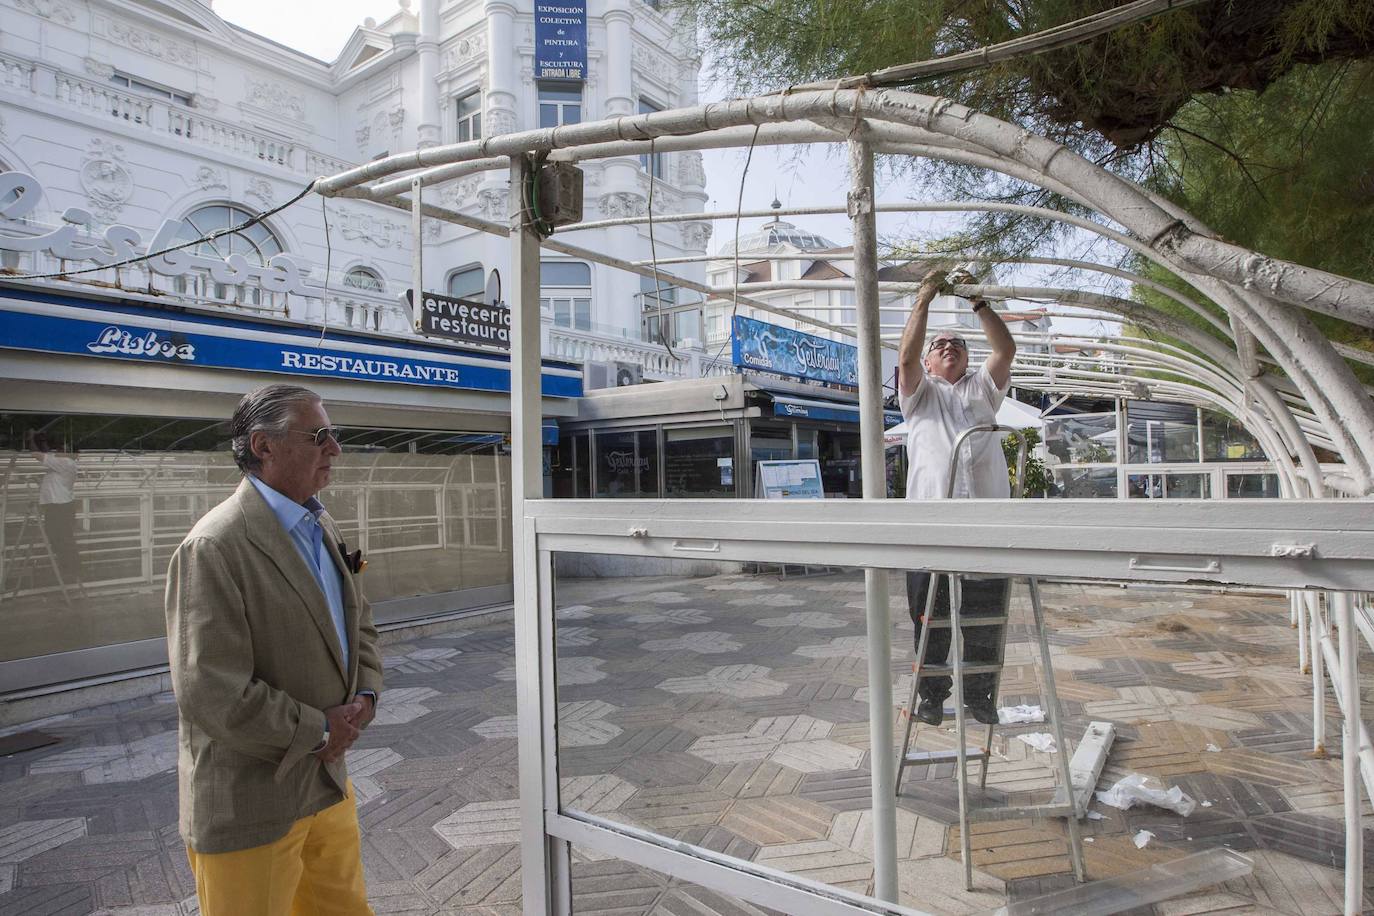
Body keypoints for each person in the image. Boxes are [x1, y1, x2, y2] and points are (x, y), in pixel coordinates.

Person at [165, 384, 383, 916]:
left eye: (335, 436)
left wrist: (367, 696)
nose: (335, 449)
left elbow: (361, 626)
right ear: (263, 446)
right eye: (320, 436)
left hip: (327, 785)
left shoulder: (320, 524)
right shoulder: (214, 546)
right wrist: (324, 729)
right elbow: (213, 693)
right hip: (253, 805)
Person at [897, 269, 1017, 727]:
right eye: (939, 344)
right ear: (928, 361)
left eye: (958, 344)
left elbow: (1005, 349)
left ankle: (980, 697)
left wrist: (977, 301)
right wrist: (923, 299)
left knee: (985, 617)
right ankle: (931, 699)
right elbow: (905, 357)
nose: (948, 346)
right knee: (929, 619)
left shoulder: (983, 388)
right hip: (930, 525)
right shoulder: (918, 395)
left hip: (985, 522)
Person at [27, 430, 81, 584]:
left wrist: (31, 439)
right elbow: (48, 457)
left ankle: (72, 570)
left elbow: (37, 455)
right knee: (57, 538)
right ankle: (68, 570)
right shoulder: (61, 463)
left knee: (63, 539)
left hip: (61, 507)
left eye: (62, 449)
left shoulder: (65, 463)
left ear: (69, 452)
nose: (58, 451)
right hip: (57, 506)